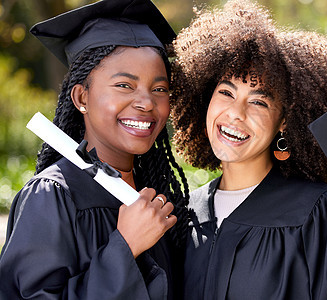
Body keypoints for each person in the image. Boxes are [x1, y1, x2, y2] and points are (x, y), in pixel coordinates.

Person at [170, 0, 327, 299]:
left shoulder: (316, 210)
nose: (236, 112)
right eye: (226, 92)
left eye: (259, 101)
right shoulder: (184, 211)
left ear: (284, 121)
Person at [0, 0, 189, 299]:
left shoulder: (157, 197)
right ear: (81, 97)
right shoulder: (51, 196)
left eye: (160, 88)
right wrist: (124, 247)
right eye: (125, 85)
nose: (147, 102)